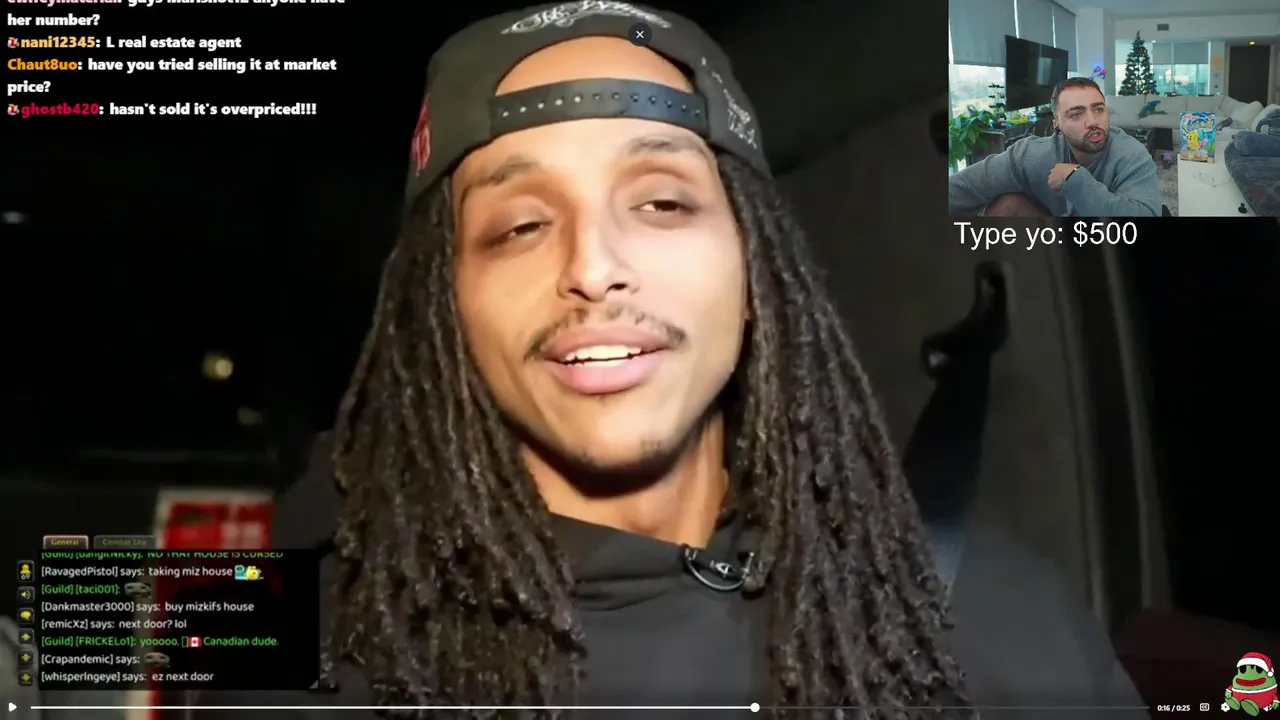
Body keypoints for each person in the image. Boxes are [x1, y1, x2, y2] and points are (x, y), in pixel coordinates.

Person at [201, 3, 1144, 717]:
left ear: (757, 268)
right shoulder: (287, 639)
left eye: (662, 203)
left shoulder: (1004, 620)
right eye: (519, 225)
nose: (593, 266)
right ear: (443, 311)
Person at [949, 77, 1161, 217]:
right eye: (1076, 114)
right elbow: (965, 186)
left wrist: (1076, 181)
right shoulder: (1031, 154)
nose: (1093, 122)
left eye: (1098, 109)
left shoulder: (1132, 155)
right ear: (1057, 125)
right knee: (1008, 204)